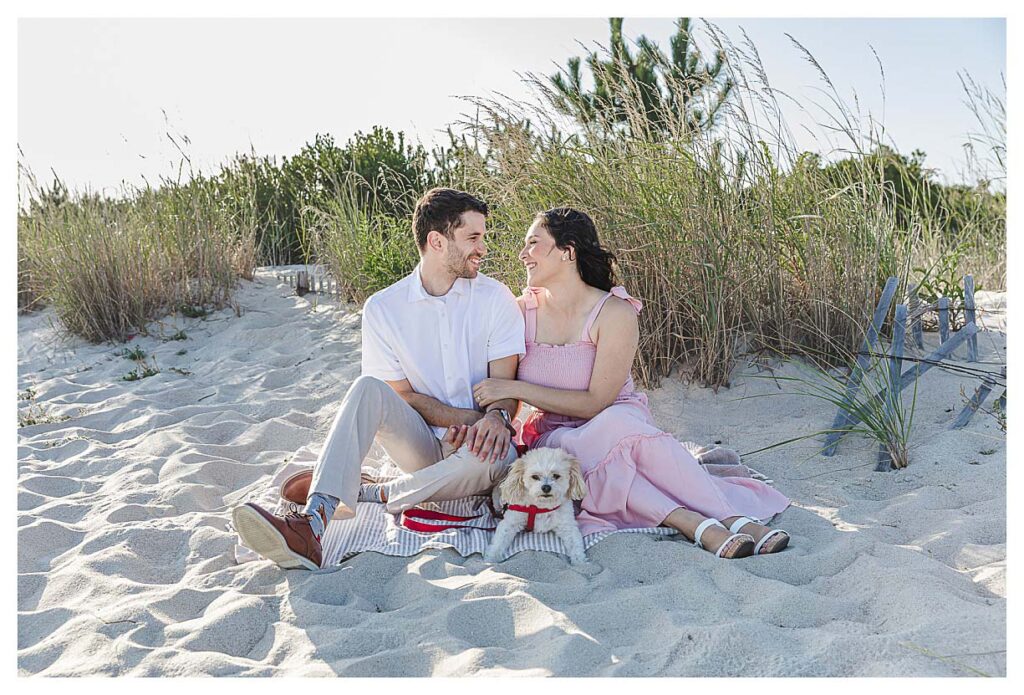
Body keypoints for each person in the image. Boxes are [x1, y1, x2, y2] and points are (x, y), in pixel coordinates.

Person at [472, 208, 791, 559]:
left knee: (614, 425)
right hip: (558, 434)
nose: (523, 254)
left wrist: (517, 389)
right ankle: (695, 523)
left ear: (568, 251)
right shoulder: (519, 313)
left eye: (533, 243)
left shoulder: (614, 313)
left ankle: (729, 518)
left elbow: (597, 401)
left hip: (618, 422)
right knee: (585, 449)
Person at [233, 188, 525, 570]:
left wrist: (492, 420)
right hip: (419, 445)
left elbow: (505, 393)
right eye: (473, 237)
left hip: (480, 451)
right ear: (437, 241)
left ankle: (366, 492)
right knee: (367, 388)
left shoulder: (495, 298)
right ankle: (312, 524)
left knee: (497, 456)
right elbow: (399, 396)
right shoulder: (384, 308)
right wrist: (461, 419)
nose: (482, 248)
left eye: (482, 237)